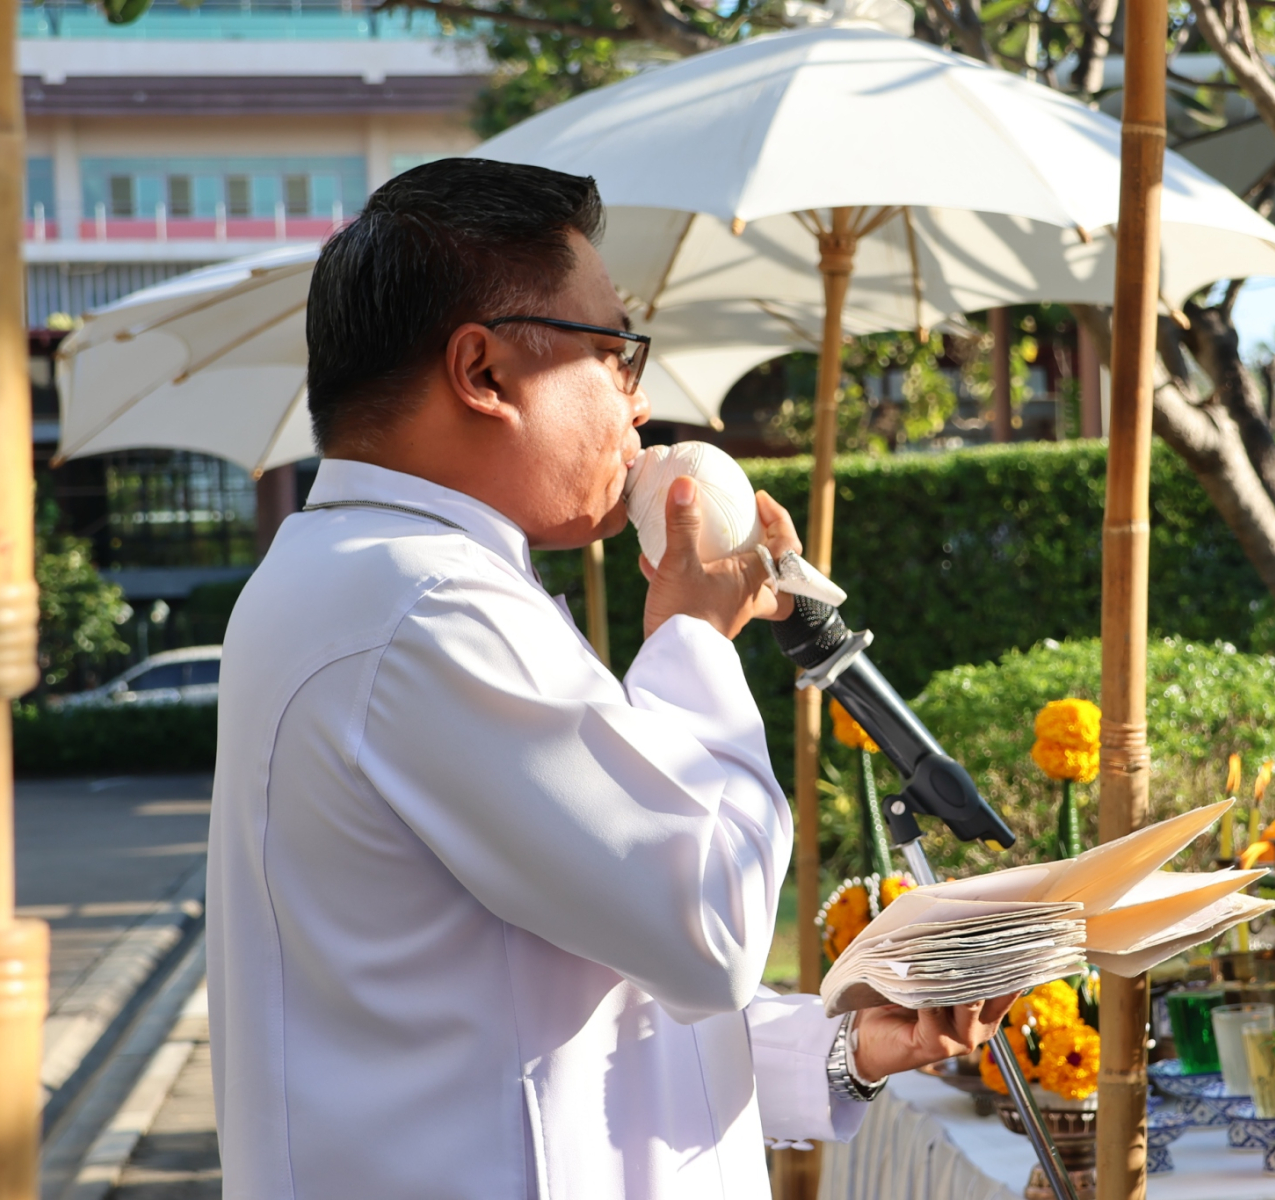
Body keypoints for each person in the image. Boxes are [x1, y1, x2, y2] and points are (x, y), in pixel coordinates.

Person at [207, 157, 1013, 1200]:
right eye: (615, 353)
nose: (640, 403)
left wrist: (842, 1048)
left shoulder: (374, 580)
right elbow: (708, 924)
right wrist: (695, 638)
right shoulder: (426, 608)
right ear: (485, 373)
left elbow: (568, 981)